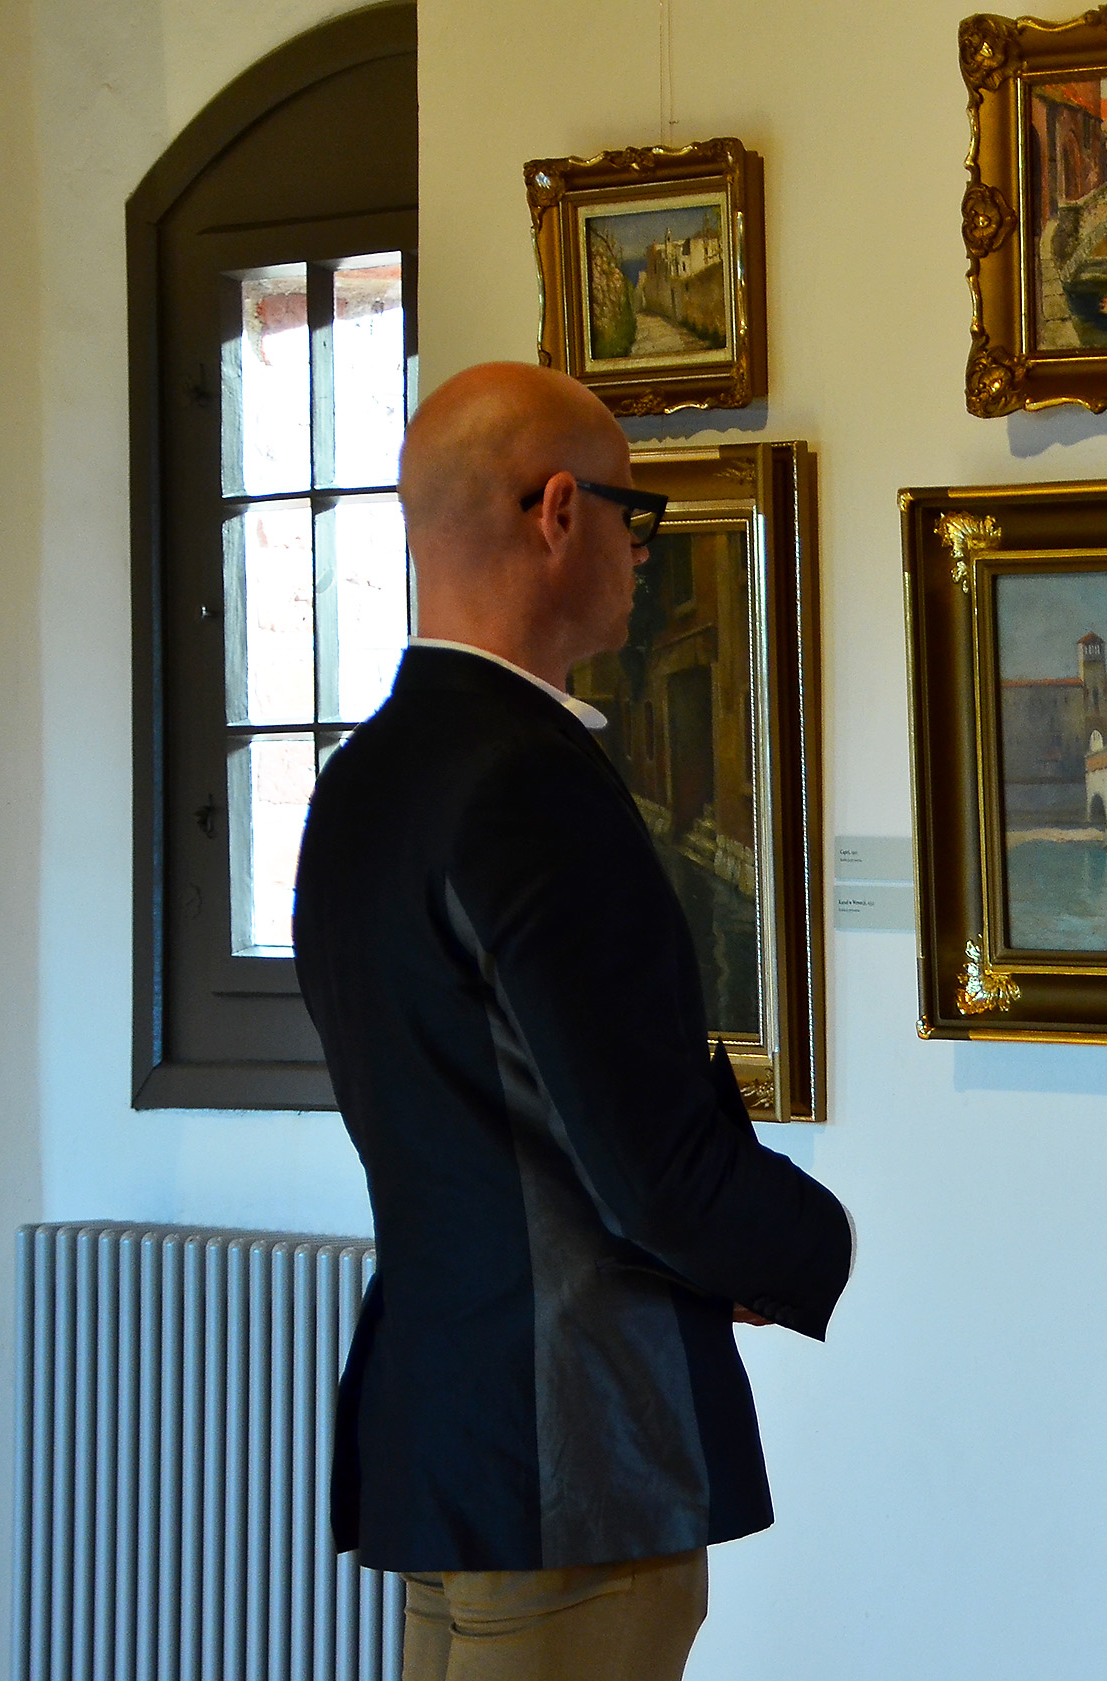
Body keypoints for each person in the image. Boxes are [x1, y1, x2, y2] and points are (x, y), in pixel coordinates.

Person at [294, 362, 854, 1681]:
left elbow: (465, 1117)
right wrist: (807, 1246)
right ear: (558, 513)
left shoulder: (359, 781)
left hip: (446, 1425)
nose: (642, 552)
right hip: (572, 1448)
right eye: (632, 515)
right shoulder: (531, 783)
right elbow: (649, 1165)